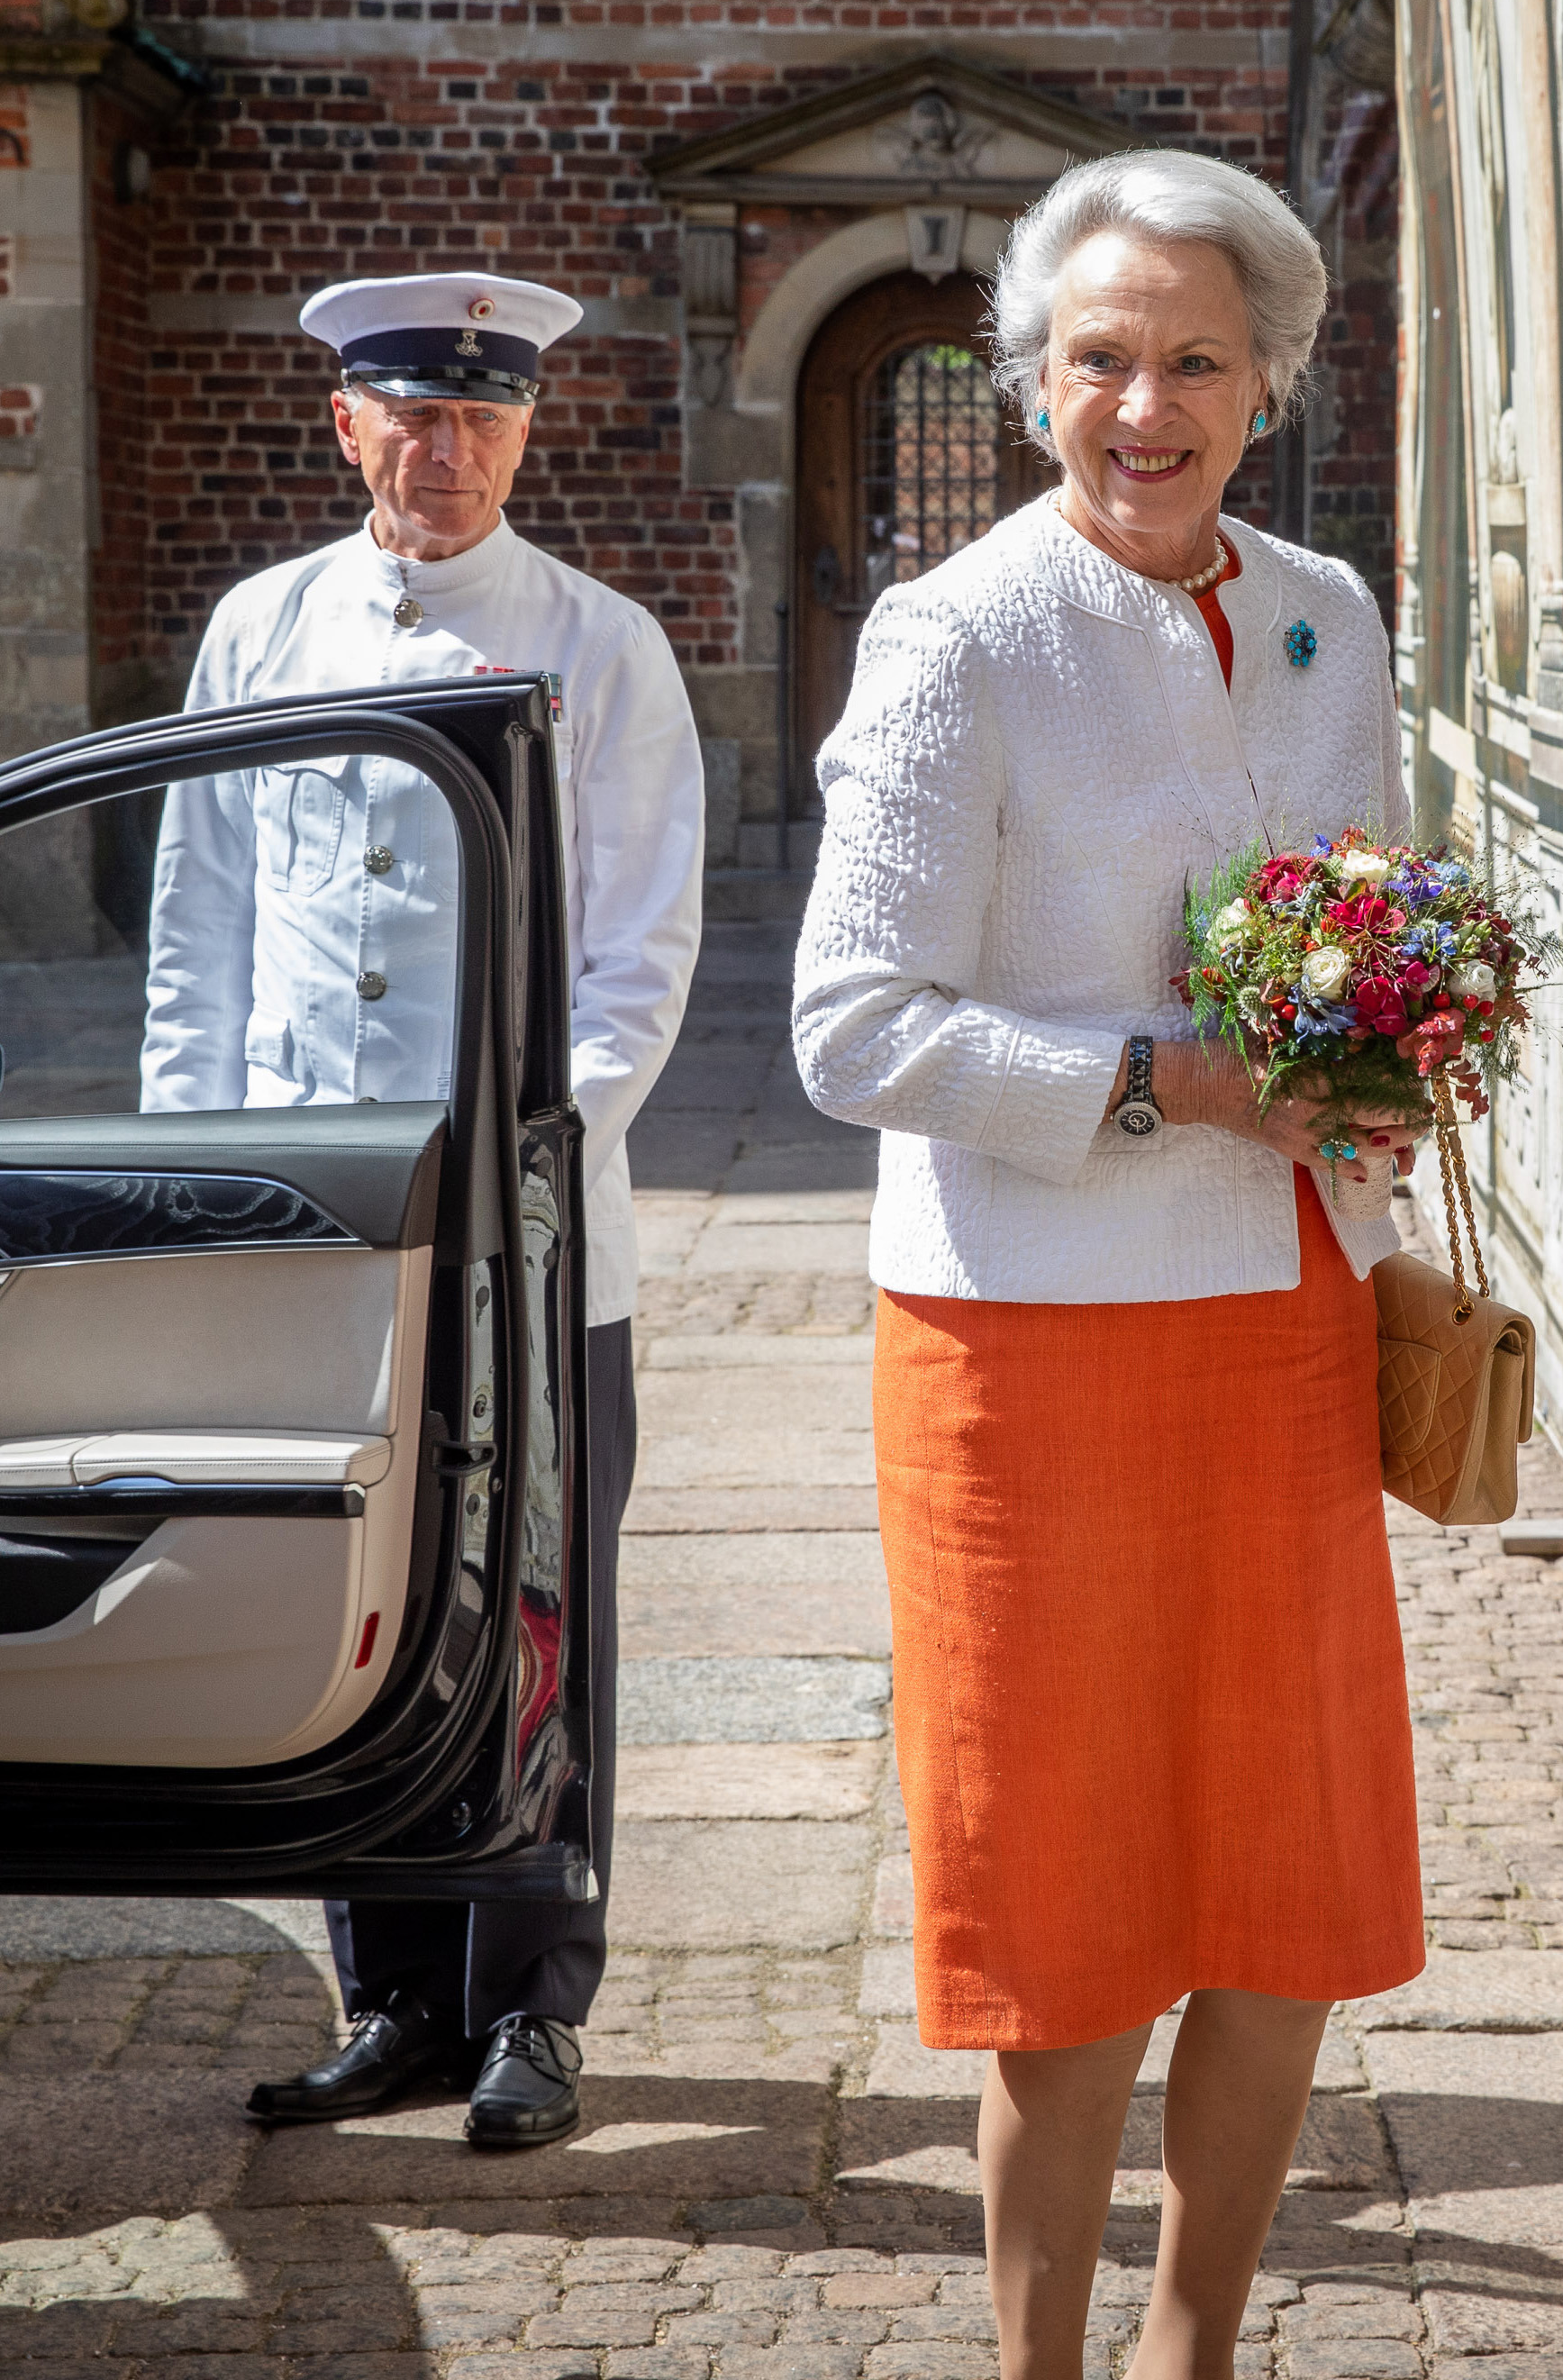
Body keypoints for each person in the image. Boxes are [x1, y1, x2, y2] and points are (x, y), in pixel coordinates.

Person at [793, 149, 1427, 2380]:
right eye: (1098, 358)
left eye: (1192, 359)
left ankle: (1197, 2346)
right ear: (1027, 379)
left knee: (1287, 1884)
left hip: (1280, 1325)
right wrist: (1182, 1079)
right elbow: (850, 1024)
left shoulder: (1334, 607)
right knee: (1060, 1916)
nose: (1142, 405)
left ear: (1269, 377)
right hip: (1024, 1352)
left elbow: (1373, 919)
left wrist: (1389, 1060)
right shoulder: (958, 631)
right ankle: (1039, 2363)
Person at [146, 270, 705, 2148]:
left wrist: (529, 1174)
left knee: (538, 1613)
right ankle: (384, 1990)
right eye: (412, 414)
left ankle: (529, 2001)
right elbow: (204, 923)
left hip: (534, 1236)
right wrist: (198, 1186)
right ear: (348, 426)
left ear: (525, 435)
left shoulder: (602, 645)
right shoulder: (262, 625)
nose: (447, 450)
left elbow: (639, 957)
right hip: (315, 1223)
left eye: (483, 419)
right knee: (344, 1606)